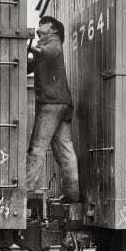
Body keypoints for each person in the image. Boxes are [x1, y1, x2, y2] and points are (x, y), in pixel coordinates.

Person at [26, 16, 80, 202]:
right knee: (64, 149)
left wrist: (30, 48)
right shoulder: (43, 47)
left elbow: (49, 52)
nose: (40, 24)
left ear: (54, 29)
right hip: (63, 104)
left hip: (51, 103)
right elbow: (28, 66)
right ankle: (73, 196)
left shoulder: (53, 41)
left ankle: (24, 195)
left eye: (44, 23)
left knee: (37, 149)